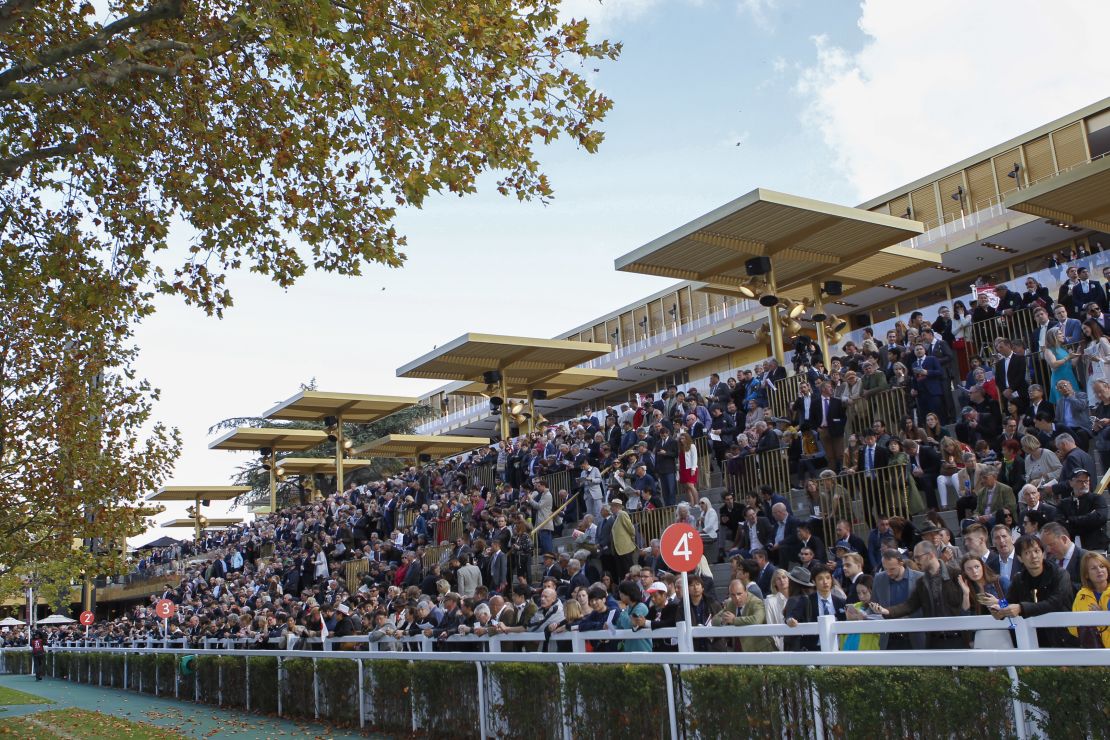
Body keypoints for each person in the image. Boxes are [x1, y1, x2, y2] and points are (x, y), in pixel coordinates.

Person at [985, 535, 1075, 647]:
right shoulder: (1019, 579)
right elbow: (1008, 602)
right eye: (1027, 553)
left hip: (1063, 637)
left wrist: (1021, 608)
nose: (1034, 556)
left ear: (1043, 553)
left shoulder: (1060, 574)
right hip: (1033, 639)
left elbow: (1056, 602)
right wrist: (999, 610)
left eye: (1037, 551)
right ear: (1020, 558)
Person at [871, 542, 965, 649]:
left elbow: (966, 607)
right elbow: (910, 605)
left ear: (930, 555)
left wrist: (966, 595)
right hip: (933, 640)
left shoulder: (956, 575)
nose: (915, 561)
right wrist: (886, 611)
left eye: (918, 557)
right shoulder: (921, 581)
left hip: (958, 638)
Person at [958, 555, 1013, 650]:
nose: (974, 571)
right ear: (965, 572)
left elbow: (1015, 605)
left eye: (976, 567)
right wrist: (966, 594)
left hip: (1006, 634)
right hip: (982, 636)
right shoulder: (967, 589)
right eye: (969, 569)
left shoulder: (1000, 582)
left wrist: (998, 602)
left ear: (982, 566)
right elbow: (965, 618)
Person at [785, 568, 845, 651]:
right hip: (814, 648)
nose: (825, 582)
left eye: (828, 578)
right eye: (820, 579)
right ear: (814, 582)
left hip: (838, 647)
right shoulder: (806, 601)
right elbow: (792, 615)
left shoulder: (841, 602)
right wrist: (790, 620)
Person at [712, 580, 776, 651]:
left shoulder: (756, 602)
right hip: (739, 652)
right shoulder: (730, 604)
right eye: (733, 595)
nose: (736, 598)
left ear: (746, 591)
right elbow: (714, 620)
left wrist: (734, 620)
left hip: (761, 650)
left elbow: (756, 620)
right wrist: (723, 620)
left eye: (739, 594)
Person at [1069, 552, 1110, 649]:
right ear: (1086, 575)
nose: (1099, 570)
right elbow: (1073, 628)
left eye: (1102, 566)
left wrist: (1102, 618)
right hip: (1092, 651)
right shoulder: (1081, 595)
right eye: (1093, 568)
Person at [1044, 327, 1080, 404]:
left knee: (1076, 402)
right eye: (1060, 333)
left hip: (1070, 378)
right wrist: (1068, 357)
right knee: (1064, 404)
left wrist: (1079, 353)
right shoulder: (1048, 350)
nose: (1063, 335)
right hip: (1059, 379)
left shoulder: (1063, 349)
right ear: (1053, 336)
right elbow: (1053, 364)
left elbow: (1072, 365)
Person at [677, 432, 699, 505]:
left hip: (690, 468)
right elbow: (680, 459)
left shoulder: (692, 446)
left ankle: (697, 503)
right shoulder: (681, 448)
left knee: (691, 485)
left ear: (687, 438)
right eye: (681, 439)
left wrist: (693, 469)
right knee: (687, 488)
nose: (681, 440)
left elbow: (694, 458)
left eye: (683, 438)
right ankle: (692, 503)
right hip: (683, 469)